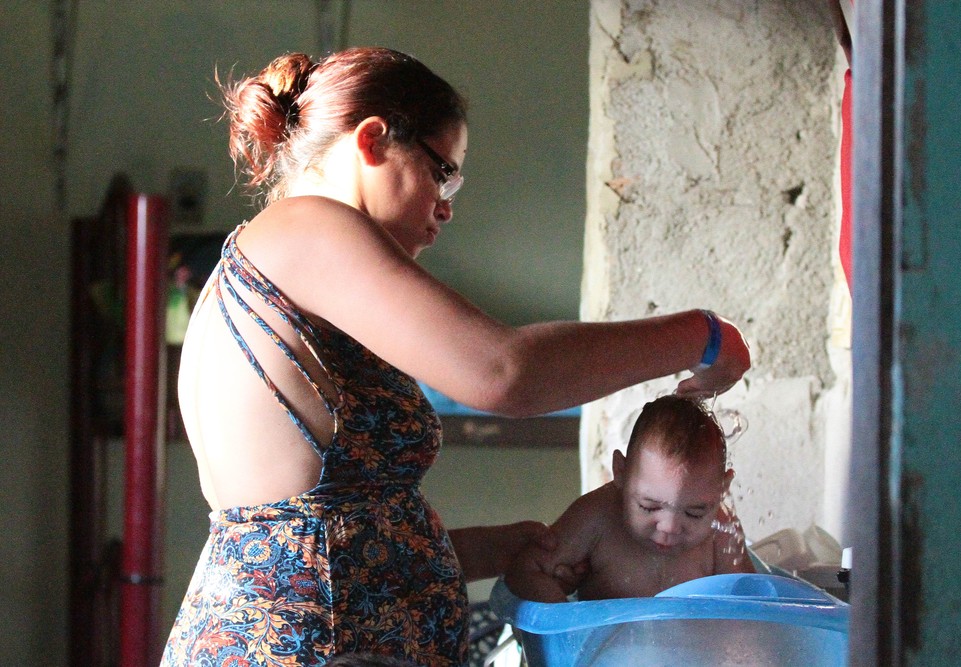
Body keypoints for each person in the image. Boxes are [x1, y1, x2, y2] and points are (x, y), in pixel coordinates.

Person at [161, 47, 751, 667]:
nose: (446, 207)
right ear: (372, 141)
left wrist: (482, 549)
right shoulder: (305, 228)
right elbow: (507, 373)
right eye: (443, 173)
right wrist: (699, 334)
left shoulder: (270, 263)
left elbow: (315, 533)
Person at [505, 395, 755, 603]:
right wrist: (564, 620)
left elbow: (752, 605)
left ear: (722, 489)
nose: (669, 527)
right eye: (648, 506)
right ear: (621, 473)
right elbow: (526, 571)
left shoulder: (722, 527)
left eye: (695, 513)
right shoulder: (597, 516)